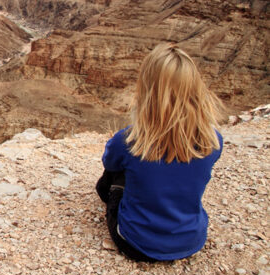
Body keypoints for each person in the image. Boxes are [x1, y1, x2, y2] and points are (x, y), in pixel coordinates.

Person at [96, 43, 224, 262]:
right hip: (191, 241)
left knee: (115, 174)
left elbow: (109, 162)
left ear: (147, 88)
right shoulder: (213, 141)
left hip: (135, 243)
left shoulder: (129, 141)